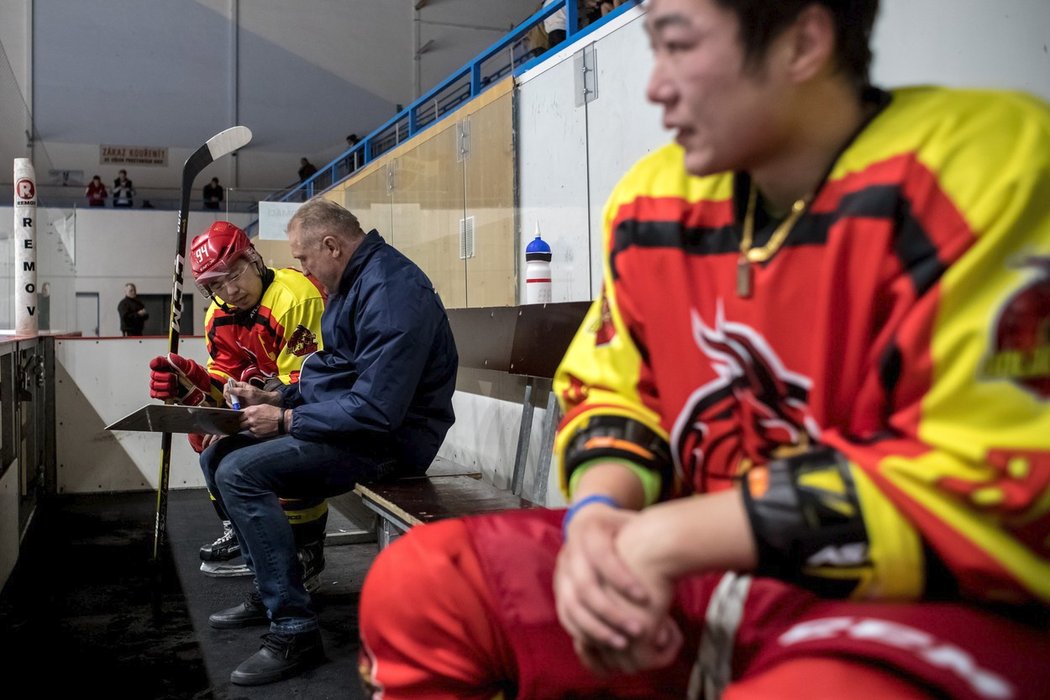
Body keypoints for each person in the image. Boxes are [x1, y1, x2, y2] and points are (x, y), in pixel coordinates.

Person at [357, 1, 1050, 698]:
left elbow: (994, 477)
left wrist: (669, 541)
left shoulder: (983, 165)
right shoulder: (655, 198)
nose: (655, 85)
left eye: (677, 47)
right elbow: (617, 390)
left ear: (802, 42)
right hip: (696, 570)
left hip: (912, 601)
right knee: (422, 583)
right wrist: (600, 518)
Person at [200, 197, 458, 686]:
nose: (301, 267)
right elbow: (337, 371)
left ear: (331, 245)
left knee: (241, 472)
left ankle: (294, 628)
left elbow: (378, 411)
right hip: (359, 426)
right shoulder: (354, 281)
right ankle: (268, 590)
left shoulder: (391, 289)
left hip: (391, 443)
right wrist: (278, 393)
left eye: (302, 257)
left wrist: (286, 420)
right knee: (219, 456)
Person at [147, 221, 329, 582]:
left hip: (313, 409)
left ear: (254, 258)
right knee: (207, 441)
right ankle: (245, 534)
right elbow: (224, 382)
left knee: (260, 453)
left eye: (235, 273)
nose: (230, 290)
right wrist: (192, 386)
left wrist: (242, 415)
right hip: (268, 402)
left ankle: (307, 546)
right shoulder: (217, 315)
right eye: (216, 284)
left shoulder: (294, 297)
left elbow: (305, 387)